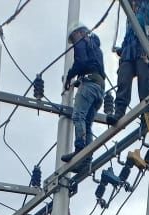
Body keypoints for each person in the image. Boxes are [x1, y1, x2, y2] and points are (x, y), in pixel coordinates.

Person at [110, 0, 149, 125]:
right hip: (129, 45)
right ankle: (119, 111)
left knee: (144, 81)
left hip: (146, 43)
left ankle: (146, 115)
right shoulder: (132, 5)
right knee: (123, 78)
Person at [61, 23, 105, 163]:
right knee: (87, 123)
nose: (74, 41)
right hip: (99, 87)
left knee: (78, 116)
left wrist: (69, 76)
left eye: (73, 38)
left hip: (89, 84)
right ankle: (87, 158)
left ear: (79, 33)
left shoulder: (81, 41)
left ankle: (80, 150)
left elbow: (81, 62)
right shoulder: (95, 46)